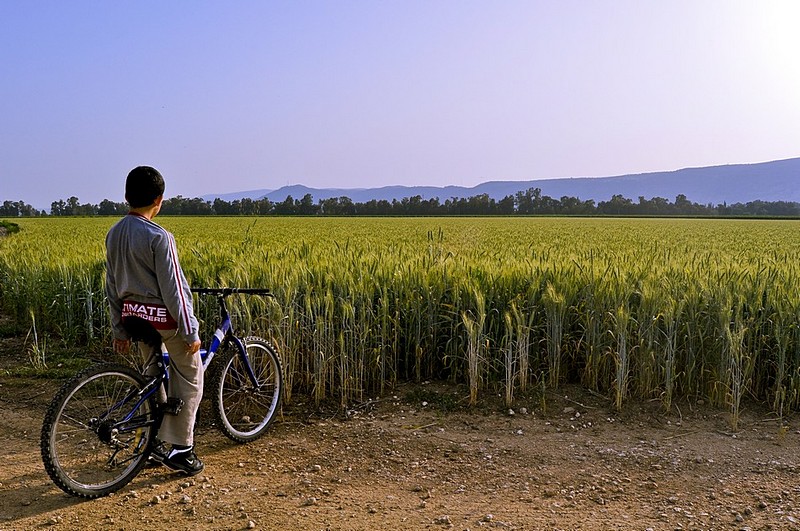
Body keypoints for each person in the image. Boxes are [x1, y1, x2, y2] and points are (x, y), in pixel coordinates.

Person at [105, 165, 204, 476]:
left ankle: (148, 442)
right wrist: (190, 331)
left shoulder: (114, 232)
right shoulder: (159, 236)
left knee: (152, 377)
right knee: (189, 376)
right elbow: (174, 289)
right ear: (159, 199)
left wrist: (118, 328)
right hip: (162, 320)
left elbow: (110, 284)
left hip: (132, 318)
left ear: (126, 197)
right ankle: (181, 448)